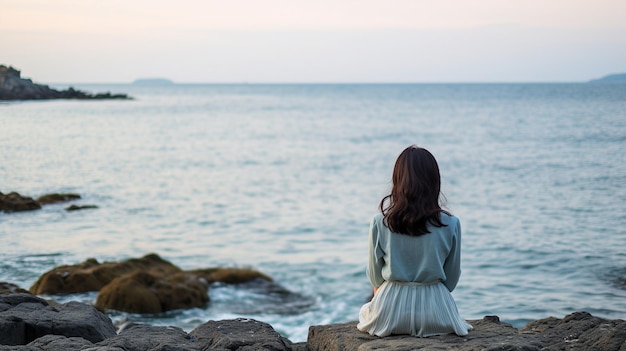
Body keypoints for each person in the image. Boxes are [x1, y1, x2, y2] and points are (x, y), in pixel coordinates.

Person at [357, 145, 472, 337]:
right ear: (435, 181)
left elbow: (375, 276)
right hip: (436, 310)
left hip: (390, 308)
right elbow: (451, 279)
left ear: (398, 180)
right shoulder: (451, 223)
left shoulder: (381, 222)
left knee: (364, 313)